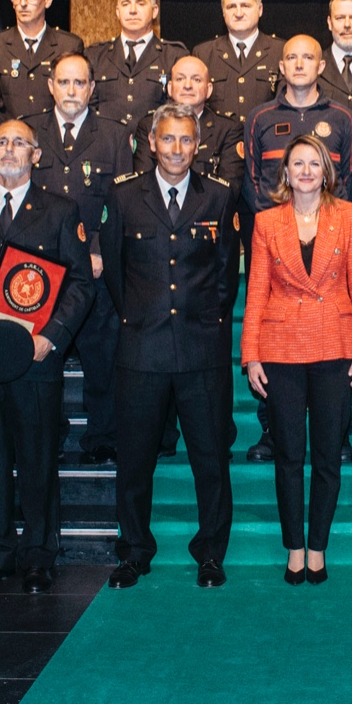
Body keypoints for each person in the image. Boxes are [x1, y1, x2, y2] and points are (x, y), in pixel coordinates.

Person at [0, 119, 94, 594]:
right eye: (1, 141)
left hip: (35, 358)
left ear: (37, 154)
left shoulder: (61, 210)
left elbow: (82, 283)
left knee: (38, 460)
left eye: (19, 142)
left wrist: (52, 335)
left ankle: (39, 557)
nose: (9, 149)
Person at [101, 104, 240, 589]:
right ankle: (135, 551)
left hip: (201, 350)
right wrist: (141, 316)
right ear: (152, 143)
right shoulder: (123, 198)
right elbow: (117, 275)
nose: (177, 149)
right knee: (135, 459)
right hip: (142, 348)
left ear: (197, 145)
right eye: (168, 140)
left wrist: (207, 324)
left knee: (210, 458)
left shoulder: (220, 197)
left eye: (186, 140)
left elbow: (226, 277)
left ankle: (210, 554)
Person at [242, 134, 352, 583]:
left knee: (327, 456)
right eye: (297, 163)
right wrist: (250, 355)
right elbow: (256, 290)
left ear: (326, 171)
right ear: (285, 173)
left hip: (335, 343)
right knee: (288, 455)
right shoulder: (266, 222)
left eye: (313, 163)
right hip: (280, 348)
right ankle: (293, 548)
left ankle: (318, 547)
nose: (305, 171)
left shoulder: (350, 216)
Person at [242, 34, 352, 461]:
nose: (299, 63)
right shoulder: (259, 117)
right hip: (276, 235)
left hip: (329, 237)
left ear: (321, 65)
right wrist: (279, 225)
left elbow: (345, 180)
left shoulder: (343, 116)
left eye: (308, 57)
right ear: (281, 65)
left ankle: (338, 435)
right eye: (291, 57)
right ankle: (273, 433)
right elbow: (254, 181)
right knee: (275, 341)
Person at [25, 53, 134, 465]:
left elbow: (122, 201)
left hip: (95, 266)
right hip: (40, 265)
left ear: (92, 88)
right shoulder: (28, 130)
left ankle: (103, 435)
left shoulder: (114, 135)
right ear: (51, 85)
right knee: (42, 354)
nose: (72, 91)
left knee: (102, 355)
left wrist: (101, 249)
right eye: (64, 82)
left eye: (80, 83)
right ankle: (47, 431)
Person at [0, 0, 83, 118]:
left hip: (53, 138)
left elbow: (74, 100)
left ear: (48, 0)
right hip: (9, 138)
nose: (23, 3)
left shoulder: (68, 45)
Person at [86, 0, 187, 133]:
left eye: (140, 4)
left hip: (154, 148)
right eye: (126, 4)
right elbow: (87, 106)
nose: (132, 10)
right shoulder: (95, 55)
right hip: (107, 146)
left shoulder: (174, 55)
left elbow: (181, 108)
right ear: (117, 12)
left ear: (154, 11)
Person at [131, 56, 244, 182]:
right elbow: (142, 184)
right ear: (169, 88)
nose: (188, 86)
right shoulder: (148, 125)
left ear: (209, 89)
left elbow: (228, 191)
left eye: (196, 79)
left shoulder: (228, 129)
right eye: (180, 79)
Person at [191, 0, 282, 125]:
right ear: (223, 11)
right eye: (231, 6)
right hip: (219, 143)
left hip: (266, 138)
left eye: (245, 6)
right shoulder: (203, 53)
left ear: (260, 9)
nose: (238, 13)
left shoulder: (281, 51)